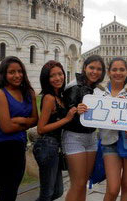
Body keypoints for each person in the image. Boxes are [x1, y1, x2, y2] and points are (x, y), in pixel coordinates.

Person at [0, 56, 38, 201]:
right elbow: (6, 127)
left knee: (12, 194)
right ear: (4, 74)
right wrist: (24, 122)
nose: (17, 75)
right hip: (2, 151)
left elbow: (36, 120)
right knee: (7, 195)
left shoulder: (28, 93)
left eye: (20, 71)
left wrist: (19, 120)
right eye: (12, 72)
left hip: (18, 150)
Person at [92, 57, 127, 201]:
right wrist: (84, 110)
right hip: (109, 142)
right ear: (109, 72)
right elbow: (93, 116)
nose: (118, 73)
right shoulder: (98, 92)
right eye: (114, 69)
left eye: (122, 69)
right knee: (113, 189)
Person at [62, 55, 106, 201]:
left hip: (91, 138)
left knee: (84, 182)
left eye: (99, 69)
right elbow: (65, 114)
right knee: (77, 183)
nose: (95, 72)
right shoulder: (74, 86)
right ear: (84, 67)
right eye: (92, 67)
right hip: (75, 137)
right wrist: (75, 110)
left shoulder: (97, 89)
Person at [33, 61, 77, 201]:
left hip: (56, 146)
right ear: (46, 79)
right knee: (47, 193)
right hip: (47, 145)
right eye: (53, 76)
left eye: (60, 74)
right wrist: (67, 118)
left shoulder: (59, 97)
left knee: (57, 191)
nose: (58, 78)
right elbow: (41, 129)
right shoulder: (49, 98)